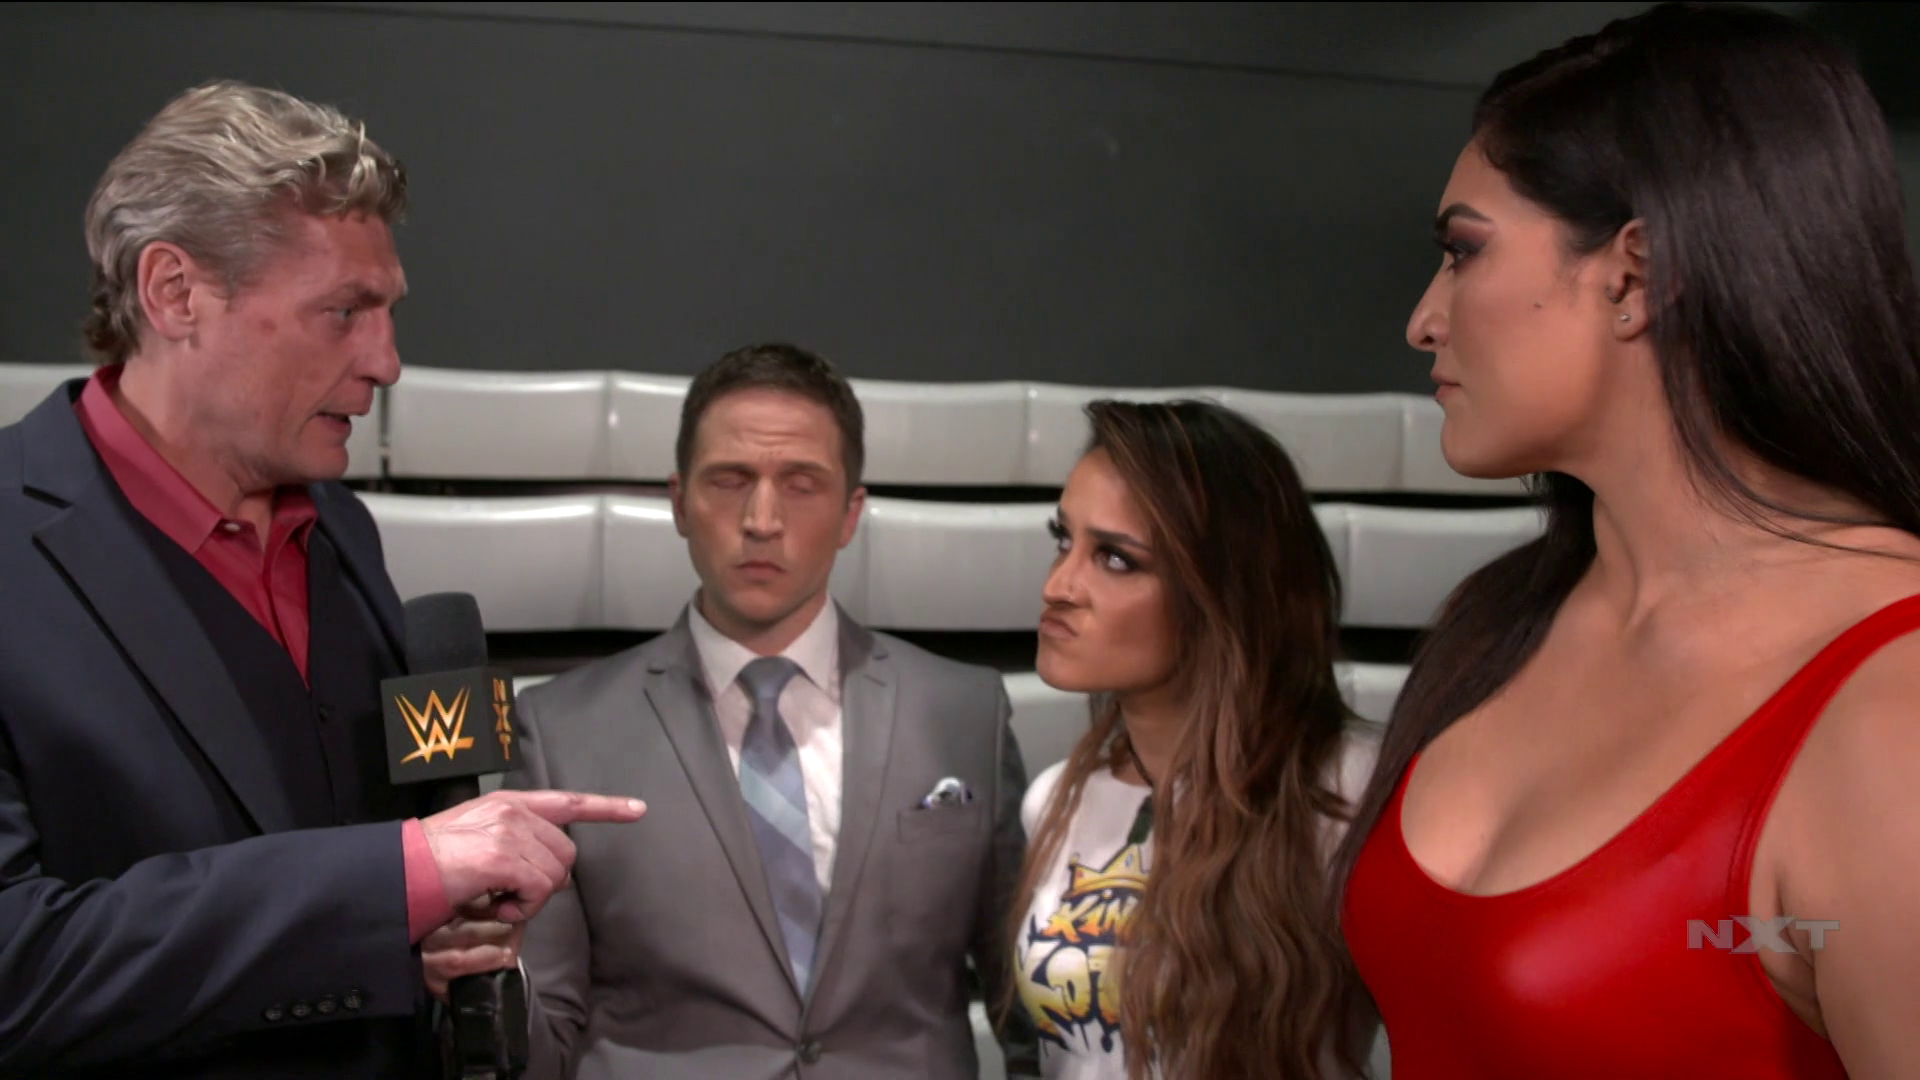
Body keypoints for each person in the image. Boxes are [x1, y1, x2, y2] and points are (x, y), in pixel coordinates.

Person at [0, 81, 643, 1079]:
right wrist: (398, 880)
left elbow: (378, 874)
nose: (387, 362)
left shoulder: (343, 528)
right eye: (343, 312)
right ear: (174, 293)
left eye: (386, 312)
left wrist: (430, 940)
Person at [1333, 4, 1920, 1077]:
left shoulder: (1894, 704)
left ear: (1637, 275)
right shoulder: (1503, 619)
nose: (1424, 319)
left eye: (1463, 252)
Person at [505, 342, 1038, 1079]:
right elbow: (538, 1043)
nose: (762, 519)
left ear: (850, 514)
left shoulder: (963, 713)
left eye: (801, 484)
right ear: (679, 502)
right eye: (730, 480)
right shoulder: (562, 732)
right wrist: (475, 982)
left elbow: (1030, 1008)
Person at [1009, 399, 1381, 1080]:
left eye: (1115, 559)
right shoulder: (1055, 800)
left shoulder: (1351, 790)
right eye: (1064, 539)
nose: (1058, 586)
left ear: (1225, 592)